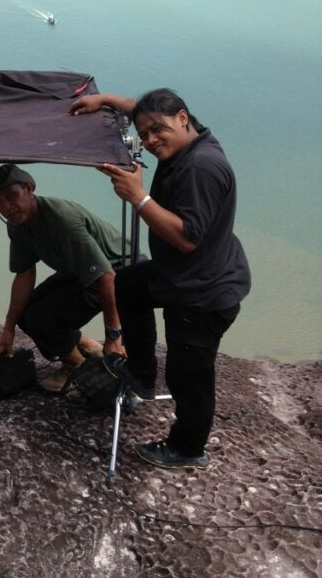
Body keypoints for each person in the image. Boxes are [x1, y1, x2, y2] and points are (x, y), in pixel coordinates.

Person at [70, 88, 251, 470]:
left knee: (189, 377)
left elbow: (187, 238)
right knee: (130, 283)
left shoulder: (201, 168)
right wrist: (106, 101)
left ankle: (188, 449)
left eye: (157, 131)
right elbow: (143, 112)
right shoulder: (189, 136)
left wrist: (138, 198)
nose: (151, 141)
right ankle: (141, 374)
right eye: (145, 133)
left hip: (203, 293)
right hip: (183, 274)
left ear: (183, 118)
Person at [0, 163, 127, 393]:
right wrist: (8, 328)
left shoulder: (61, 221)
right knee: (24, 314)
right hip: (79, 271)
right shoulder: (18, 223)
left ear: (29, 188)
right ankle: (87, 347)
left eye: (11, 196)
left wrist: (114, 337)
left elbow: (106, 277)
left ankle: (77, 368)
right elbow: (24, 272)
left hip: (119, 274)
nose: (6, 207)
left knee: (42, 320)